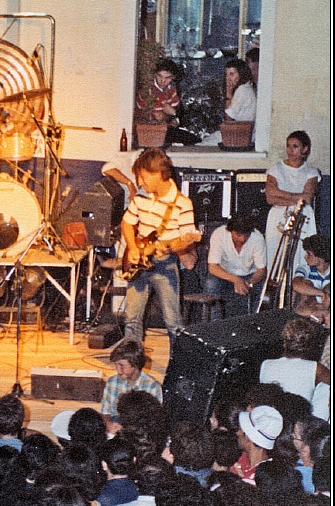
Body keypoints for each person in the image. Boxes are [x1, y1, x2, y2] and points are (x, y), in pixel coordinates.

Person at [120, 147, 199, 343]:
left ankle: (178, 368)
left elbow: (187, 239)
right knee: (131, 319)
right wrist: (131, 247)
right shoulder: (140, 197)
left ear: (158, 174)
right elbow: (127, 222)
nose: (139, 182)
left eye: (143, 176)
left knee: (173, 322)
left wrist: (170, 247)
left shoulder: (183, 204)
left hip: (165, 264)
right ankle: (132, 366)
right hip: (138, 262)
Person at [263, 131, 318, 273]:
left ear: (305, 149)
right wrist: (296, 196)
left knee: (300, 253)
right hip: (278, 215)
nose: (290, 150)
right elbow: (270, 197)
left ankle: (298, 289)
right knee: (275, 253)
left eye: (295, 146)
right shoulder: (276, 168)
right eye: (288, 146)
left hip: (302, 214)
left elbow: (306, 199)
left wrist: (281, 194)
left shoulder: (311, 172)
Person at [205, 217, 268, 317]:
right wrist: (236, 280)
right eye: (238, 235)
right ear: (230, 231)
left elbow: (261, 270)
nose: (242, 239)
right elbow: (213, 267)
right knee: (211, 283)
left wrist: (250, 282)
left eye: (246, 235)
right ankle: (214, 323)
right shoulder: (219, 234)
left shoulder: (257, 238)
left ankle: (254, 321)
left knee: (264, 286)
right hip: (225, 275)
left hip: (249, 275)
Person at [100, 339, 162, 427]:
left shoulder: (152, 386)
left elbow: (156, 420)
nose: (118, 370)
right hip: (116, 425)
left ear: (135, 364)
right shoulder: (111, 382)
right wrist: (109, 425)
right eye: (116, 365)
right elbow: (105, 413)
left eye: (122, 365)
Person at [291, 233, 330, 324]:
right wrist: (322, 293)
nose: (305, 257)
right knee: (306, 283)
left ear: (321, 256)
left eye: (309, 254)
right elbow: (296, 285)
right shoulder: (305, 269)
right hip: (312, 313)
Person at [136, 57, 181, 126]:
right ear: (155, 74)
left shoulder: (172, 89)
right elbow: (158, 117)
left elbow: (175, 121)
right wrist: (170, 114)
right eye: (159, 76)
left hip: (164, 129)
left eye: (167, 77)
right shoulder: (147, 90)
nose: (163, 81)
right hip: (146, 129)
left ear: (173, 77)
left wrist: (172, 113)